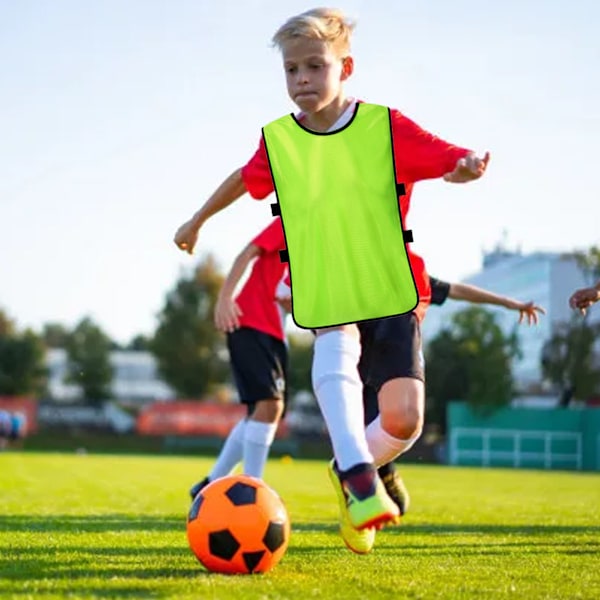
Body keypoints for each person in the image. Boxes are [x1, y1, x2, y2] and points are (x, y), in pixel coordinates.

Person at [174, 7, 490, 540]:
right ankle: (359, 474)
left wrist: (466, 165)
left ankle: (354, 466)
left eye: (314, 67)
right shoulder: (280, 142)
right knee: (335, 342)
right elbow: (243, 178)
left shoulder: (384, 127)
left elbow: (446, 158)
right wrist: (197, 218)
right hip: (326, 283)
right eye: (291, 70)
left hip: (389, 286)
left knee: (404, 420)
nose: (301, 80)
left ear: (346, 66)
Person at [364, 275, 546, 522]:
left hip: (397, 368)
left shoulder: (413, 273)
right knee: (364, 432)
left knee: (398, 425)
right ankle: (365, 486)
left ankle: (384, 475)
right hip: (361, 368)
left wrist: (508, 303)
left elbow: (458, 290)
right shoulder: (362, 272)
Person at [189, 218, 289, 499]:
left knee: (263, 410)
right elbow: (247, 253)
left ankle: (211, 484)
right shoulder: (294, 220)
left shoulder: (324, 249)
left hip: (275, 334)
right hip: (249, 321)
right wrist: (224, 298)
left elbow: (288, 297)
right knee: (269, 405)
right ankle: (252, 489)